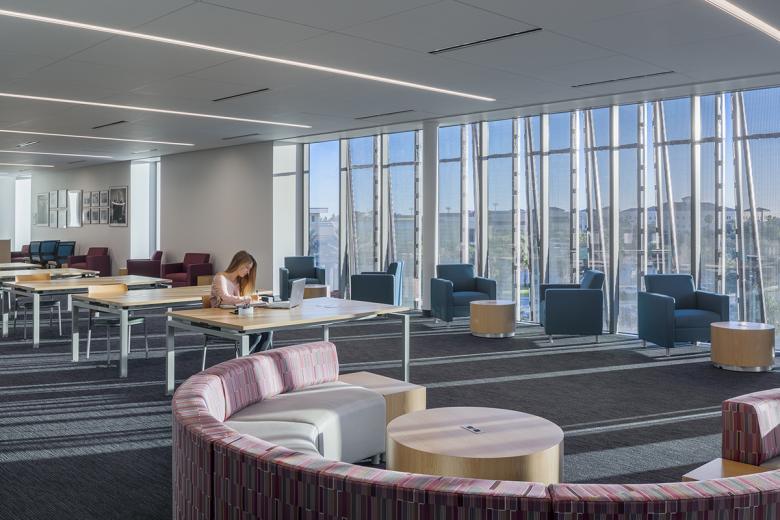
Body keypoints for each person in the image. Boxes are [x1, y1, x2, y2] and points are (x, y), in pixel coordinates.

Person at [211, 250, 272, 351]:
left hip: (237, 319)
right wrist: (247, 298)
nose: (248, 272)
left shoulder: (238, 282)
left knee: (267, 332)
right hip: (220, 322)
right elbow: (225, 298)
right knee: (254, 335)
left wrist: (253, 300)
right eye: (247, 268)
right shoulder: (220, 278)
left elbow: (237, 302)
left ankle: (255, 360)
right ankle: (244, 360)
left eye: (250, 269)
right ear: (239, 264)